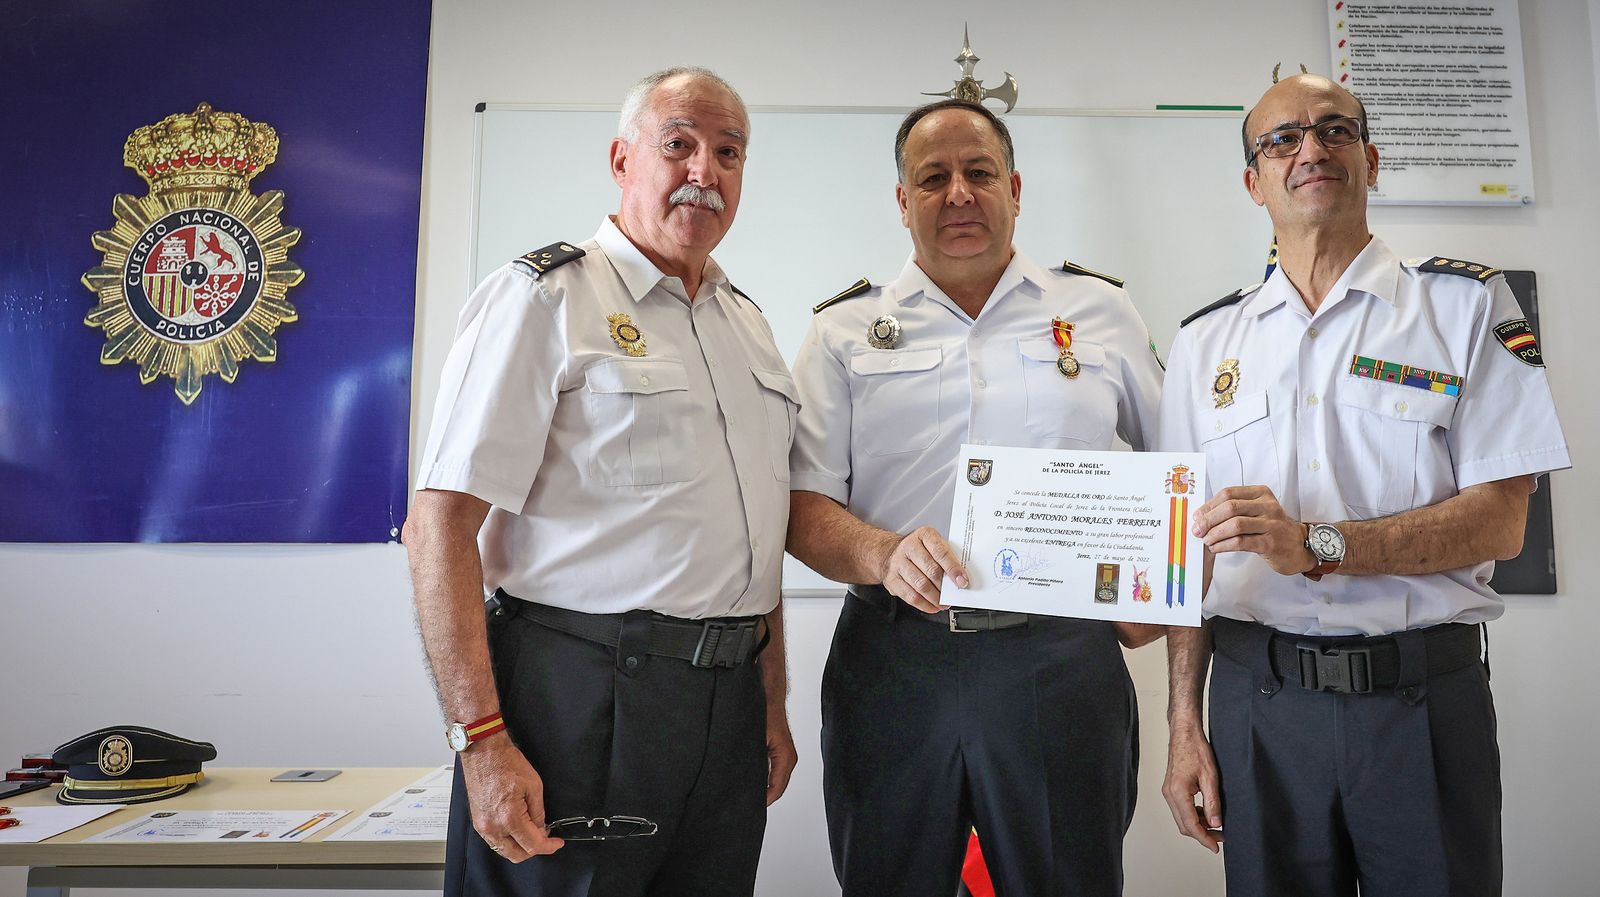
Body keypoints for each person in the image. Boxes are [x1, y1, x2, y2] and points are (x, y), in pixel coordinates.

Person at [1158, 74, 1571, 897]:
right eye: (1281, 139)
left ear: (1370, 159)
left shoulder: (1464, 306)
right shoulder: (1204, 346)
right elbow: (1182, 565)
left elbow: (1501, 521)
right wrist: (1181, 722)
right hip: (1258, 709)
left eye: (1333, 130)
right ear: (1254, 181)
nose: (1309, 148)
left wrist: (1318, 545)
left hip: (1418, 704)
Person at [404, 66, 798, 897]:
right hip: (579, 698)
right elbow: (438, 526)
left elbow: (755, 534)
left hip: (726, 706)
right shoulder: (544, 299)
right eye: (679, 144)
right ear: (622, 160)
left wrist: (771, 701)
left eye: (729, 153)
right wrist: (480, 739)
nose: (705, 171)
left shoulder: (749, 326)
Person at [786, 98, 1166, 897]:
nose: (958, 193)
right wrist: (880, 553)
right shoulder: (843, 332)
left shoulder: (1099, 311)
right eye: (933, 178)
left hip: (1060, 658)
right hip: (894, 659)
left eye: (979, 172)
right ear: (902, 201)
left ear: (1016, 188)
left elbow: (1180, 465)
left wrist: (1157, 589)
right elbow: (802, 507)